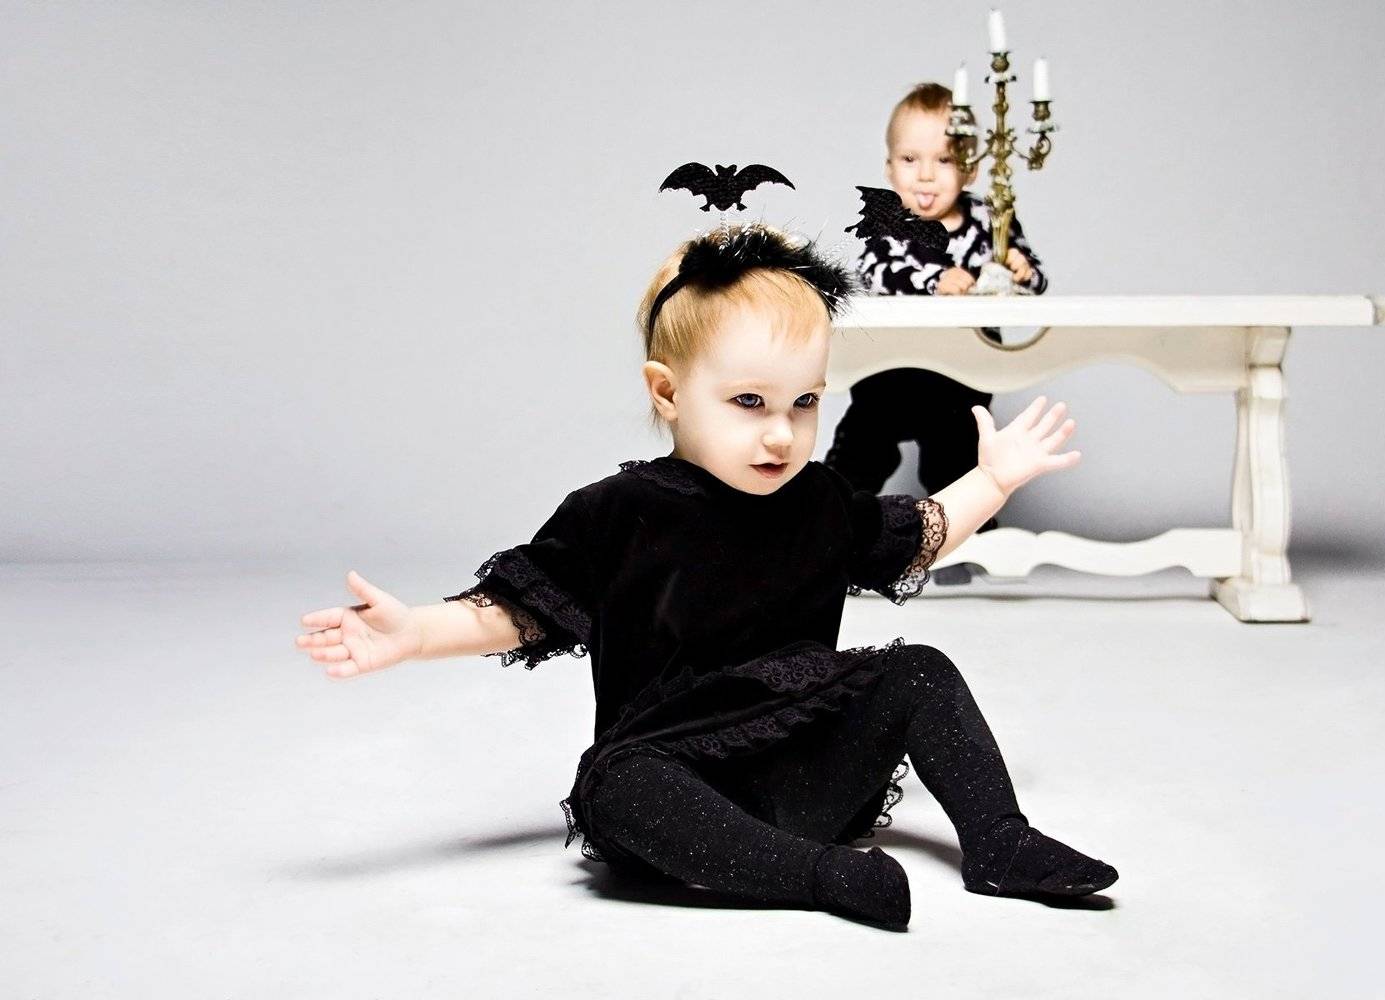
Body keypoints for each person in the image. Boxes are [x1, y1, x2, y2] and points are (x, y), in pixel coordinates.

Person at [295, 223, 1113, 930]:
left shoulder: (821, 499)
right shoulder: (620, 511)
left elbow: (918, 534)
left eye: (804, 403)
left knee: (920, 670)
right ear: (669, 392)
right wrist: (413, 634)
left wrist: (992, 482)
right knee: (617, 786)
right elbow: (519, 609)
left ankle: (999, 839)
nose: (782, 434)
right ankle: (816, 875)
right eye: (750, 402)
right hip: (680, 776)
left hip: (803, 768)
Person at [827, 83, 1049, 575]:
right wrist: (934, 280)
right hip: (889, 376)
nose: (925, 175)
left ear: (971, 168)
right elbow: (876, 272)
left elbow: (1034, 279)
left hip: (959, 380)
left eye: (944, 160)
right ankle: (822, 538)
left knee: (960, 464)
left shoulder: (989, 219)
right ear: (889, 168)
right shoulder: (887, 221)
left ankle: (970, 552)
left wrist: (1020, 269)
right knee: (859, 457)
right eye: (910, 160)